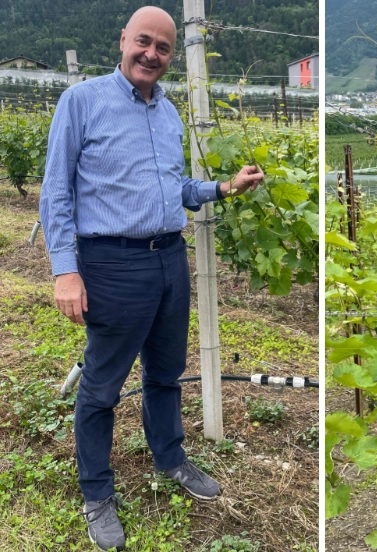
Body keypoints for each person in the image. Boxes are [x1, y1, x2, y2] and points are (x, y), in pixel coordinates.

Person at [39, 6, 264, 551]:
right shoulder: (82, 102)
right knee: (102, 385)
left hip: (169, 258)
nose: (153, 54)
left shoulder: (168, 114)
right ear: (123, 40)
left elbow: (174, 189)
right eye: (144, 42)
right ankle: (96, 493)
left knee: (165, 372)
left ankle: (170, 459)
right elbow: (56, 192)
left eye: (164, 48)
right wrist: (66, 271)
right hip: (111, 263)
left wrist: (222, 189)